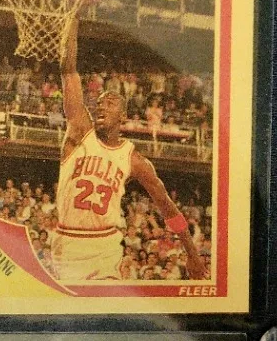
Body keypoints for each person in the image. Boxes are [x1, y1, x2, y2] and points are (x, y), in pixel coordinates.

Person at [51, 16, 207, 281]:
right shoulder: (79, 132)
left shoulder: (134, 160)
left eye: (110, 103)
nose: (101, 106)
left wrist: (192, 254)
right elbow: (68, 71)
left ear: (123, 117)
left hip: (104, 247)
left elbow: (168, 208)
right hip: (66, 244)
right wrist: (73, 17)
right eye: (99, 102)